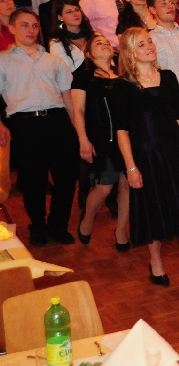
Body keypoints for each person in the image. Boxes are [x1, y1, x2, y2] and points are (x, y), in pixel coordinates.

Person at [113, 27, 179, 288]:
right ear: (130, 52)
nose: (149, 46)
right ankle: (156, 264)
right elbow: (121, 130)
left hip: (175, 153)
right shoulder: (122, 86)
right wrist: (131, 167)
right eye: (141, 44)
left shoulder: (169, 77)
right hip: (146, 157)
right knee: (154, 211)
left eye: (149, 41)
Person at [0, 8, 79, 246]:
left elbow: (68, 98)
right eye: (24, 25)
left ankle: (58, 225)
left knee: (66, 177)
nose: (31, 30)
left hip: (58, 121)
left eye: (34, 25)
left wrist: (78, 129)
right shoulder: (3, 60)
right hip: (25, 124)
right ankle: (38, 226)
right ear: (12, 28)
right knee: (33, 180)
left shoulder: (53, 61)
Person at [71, 34, 130, 250]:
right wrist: (83, 139)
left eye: (106, 42)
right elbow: (78, 110)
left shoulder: (124, 75)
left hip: (128, 138)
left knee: (127, 185)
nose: (105, 44)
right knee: (104, 187)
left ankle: (121, 230)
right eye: (98, 43)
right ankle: (87, 220)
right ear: (88, 54)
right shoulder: (84, 77)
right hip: (102, 139)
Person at [48, 0, 92, 71]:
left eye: (77, 10)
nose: (75, 14)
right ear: (60, 17)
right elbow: (64, 72)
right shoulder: (57, 43)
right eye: (69, 12)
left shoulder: (93, 35)